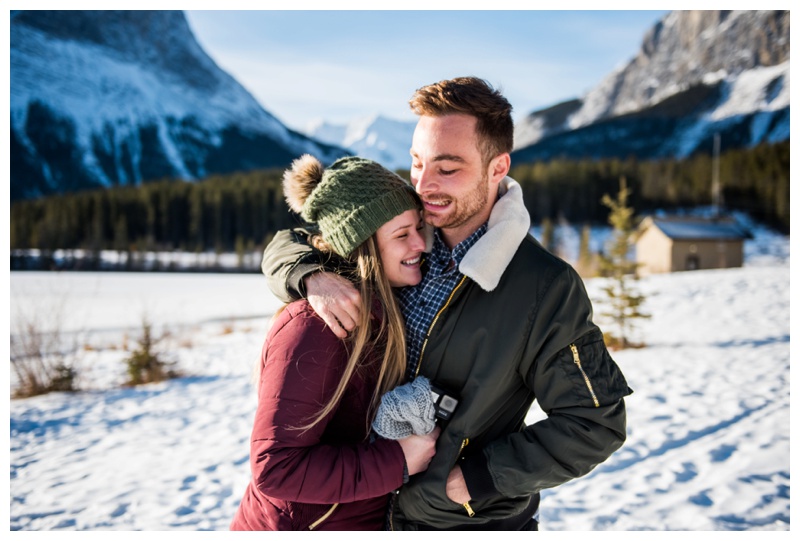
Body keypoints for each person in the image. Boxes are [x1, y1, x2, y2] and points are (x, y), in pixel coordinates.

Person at [261, 77, 633, 531]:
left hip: (460, 523)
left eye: (448, 168)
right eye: (417, 164)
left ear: (498, 168)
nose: (424, 185)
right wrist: (308, 275)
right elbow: (300, 237)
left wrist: (481, 478)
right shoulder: (404, 237)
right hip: (370, 514)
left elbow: (596, 421)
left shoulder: (542, 287)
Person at [231, 155, 440, 531]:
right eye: (401, 234)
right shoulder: (316, 327)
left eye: (419, 229)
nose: (420, 245)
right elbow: (275, 468)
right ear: (363, 247)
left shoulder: (387, 308)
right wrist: (397, 462)